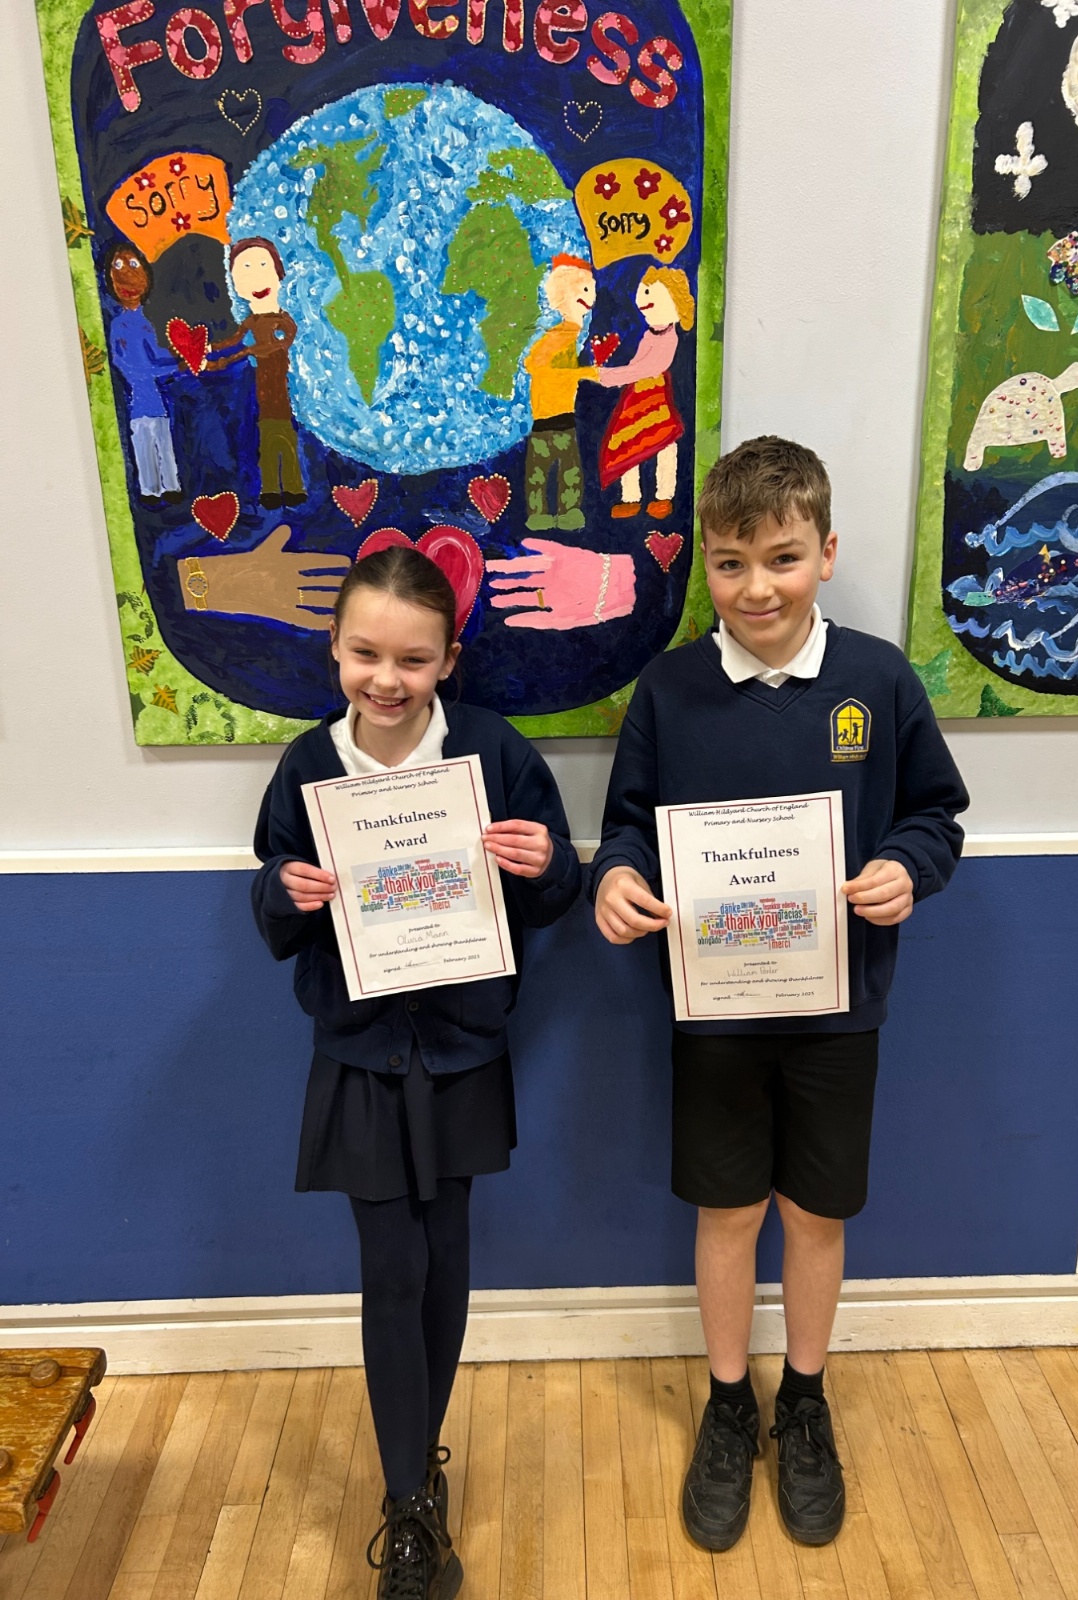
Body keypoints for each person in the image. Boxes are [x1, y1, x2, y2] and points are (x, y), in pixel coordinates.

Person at [590, 436, 968, 1552]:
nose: (757, 587)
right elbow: (628, 824)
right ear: (706, 564)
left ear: (826, 553)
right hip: (716, 1008)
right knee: (728, 1212)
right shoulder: (669, 689)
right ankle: (727, 1402)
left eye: (783, 558)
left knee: (814, 1213)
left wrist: (907, 866)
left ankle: (803, 1400)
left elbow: (935, 813)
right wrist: (616, 878)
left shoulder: (878, 681)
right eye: (730, 563)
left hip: (838, 1011)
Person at [252, 545, 580, 1600]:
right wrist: (285, 890)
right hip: (360, 1053)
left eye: (412, 659)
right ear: (334, 648)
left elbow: (554, 887)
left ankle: (419, 1469)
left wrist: (549, 865)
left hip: (461, 1049)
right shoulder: (309, 764)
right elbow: (270, 898)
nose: (386, 679)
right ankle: (404, 1504)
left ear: (449, 660)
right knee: (390, 1269)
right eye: (365, 654)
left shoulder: (492, 750)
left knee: (446, 1259)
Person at [584, 266, 694, 520]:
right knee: (628, 444)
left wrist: (606, 376)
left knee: (665, 444)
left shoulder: (670, 338)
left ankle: (663, 496)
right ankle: (630, 497)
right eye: (643, 293)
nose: (643, 301)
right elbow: (636, 364)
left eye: (649, 294)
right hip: (636, 397)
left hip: (655, 399)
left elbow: (647, 368)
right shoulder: (649, 334)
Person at [207, 237, 306, 509]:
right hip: (264, 396)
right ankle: (271, 489)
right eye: (245, 271)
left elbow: (277, 345)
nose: (255, 278)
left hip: (282, 396)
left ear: (278, 273)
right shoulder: (251, 321)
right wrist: (209, 348)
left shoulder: (284, 321)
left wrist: (243, 354)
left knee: (285, 439)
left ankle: (294, 487)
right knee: (268, 442)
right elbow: (233, 340)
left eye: (263, 266)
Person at [104, 243, 184, 504]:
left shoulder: (148, 323)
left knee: (162, 439)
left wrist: (180, 358)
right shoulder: (119, 325)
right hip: (138, 399)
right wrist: (174, 367)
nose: (127, 275)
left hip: (154, 399)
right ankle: (150, 489)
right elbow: (122, 361)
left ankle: (170, 486)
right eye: (118, 266)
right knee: (144, 441)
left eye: (133, 265)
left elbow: (157, 354)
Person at [523, 254, 596, 531]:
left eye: (592, 290)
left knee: (568, 470)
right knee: (544, 472)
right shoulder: (559, 336)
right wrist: (583, 373)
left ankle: (566, 513)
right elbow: (535, 365)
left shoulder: (570, 334)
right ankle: (541, 514)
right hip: (548, 417)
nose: (591, 298)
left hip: (561, 415)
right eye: (585, 289)